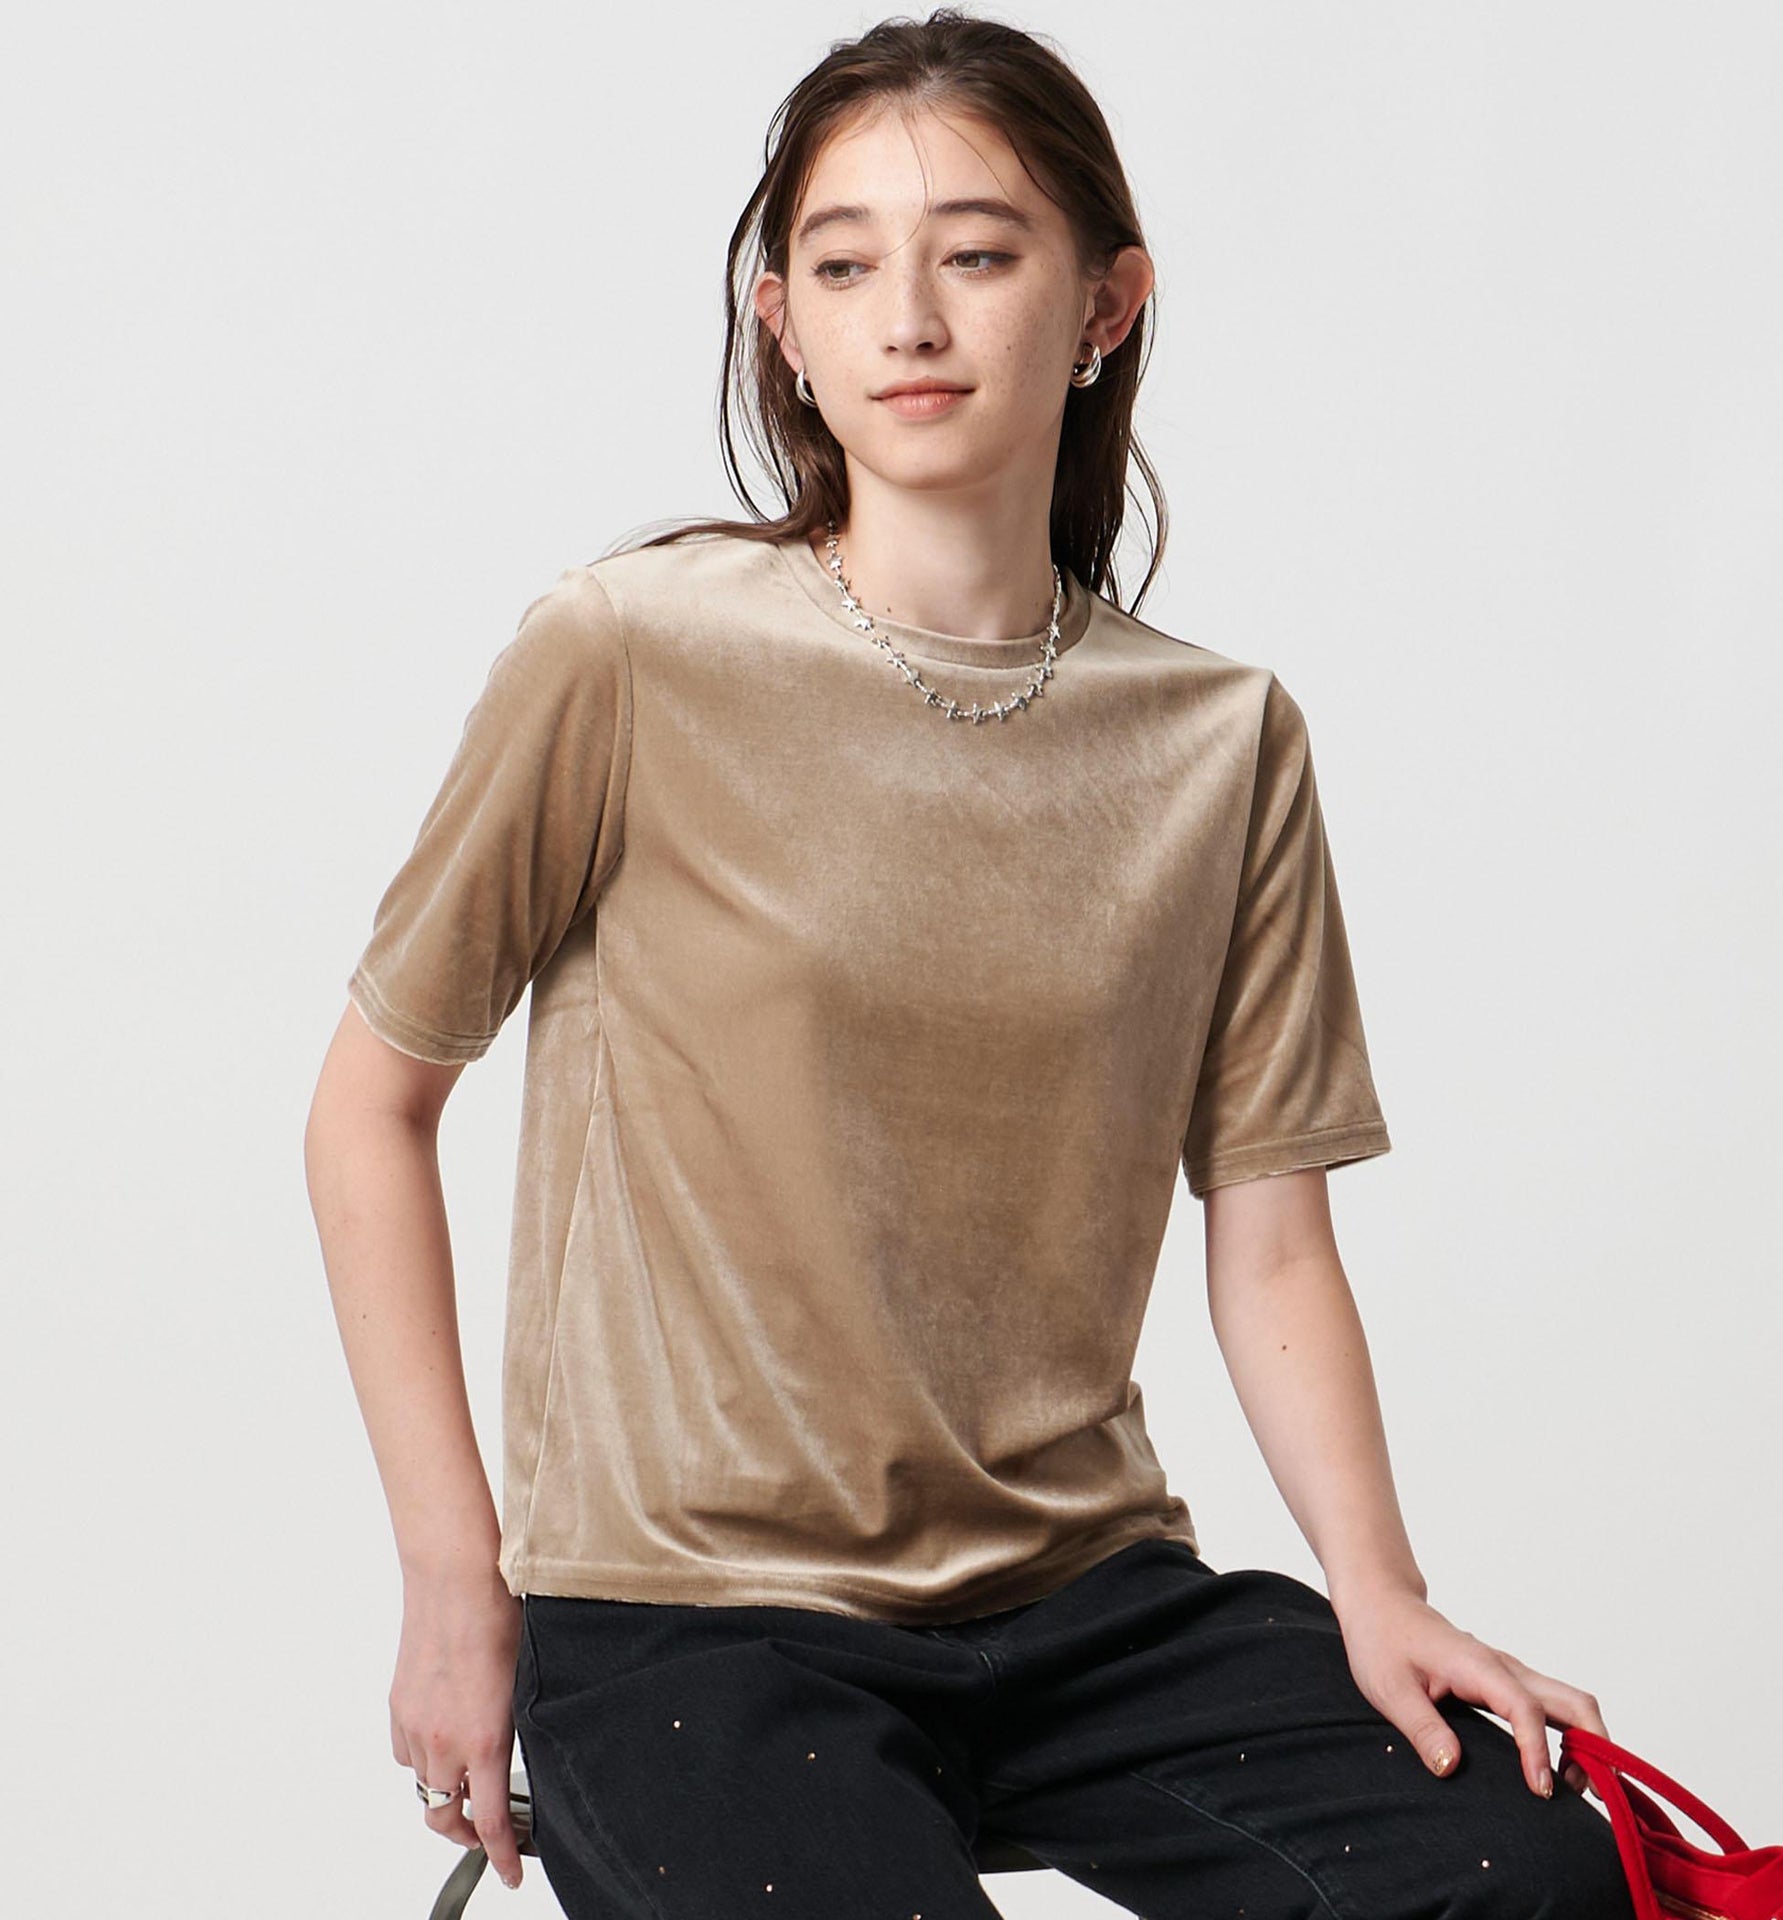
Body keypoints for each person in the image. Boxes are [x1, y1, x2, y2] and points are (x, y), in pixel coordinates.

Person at [305, 11, 1637, 1916]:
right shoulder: (629, 653)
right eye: (846, 267)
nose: (910, 320)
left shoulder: (1221, 741)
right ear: (783, 322)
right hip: (694, 1614)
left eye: (980, 253)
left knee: (1532, 1873)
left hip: (1081, 1598)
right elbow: (369, 1109)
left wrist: (1380, 1589)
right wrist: (458, 1583)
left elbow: (1271, 1238)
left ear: (1106, 302)